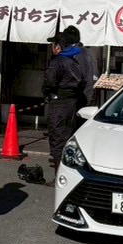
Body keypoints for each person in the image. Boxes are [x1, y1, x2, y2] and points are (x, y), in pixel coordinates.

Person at [43, 28, 89, 169]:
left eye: (53, 45)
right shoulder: (74, 61)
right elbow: (82, 82)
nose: (51, 48)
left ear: (58, 47)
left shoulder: (58, 61)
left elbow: (49, 82)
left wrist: (47, 93)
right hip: (72, 104)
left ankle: (59, 175)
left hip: (59, 104)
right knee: (67, 138)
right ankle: (67, 171)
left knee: (57, 141)